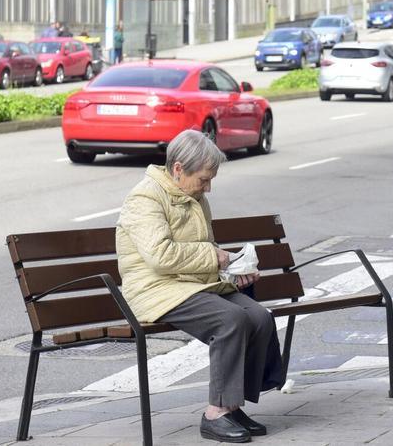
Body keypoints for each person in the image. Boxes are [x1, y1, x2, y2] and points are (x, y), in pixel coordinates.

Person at [116, 130, 283, 443]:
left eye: (211, 179)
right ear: (178, 169)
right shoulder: (145, 197)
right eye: (204, 179)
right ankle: (215, 414)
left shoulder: (195, 197)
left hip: (191, 285)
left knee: (259, 317)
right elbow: (160, 256)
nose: (208, 186)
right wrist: (215, 257)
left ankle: (232, 406)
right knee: (230, 320)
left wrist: (233, 270)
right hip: (155, 289)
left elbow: (206, 249)